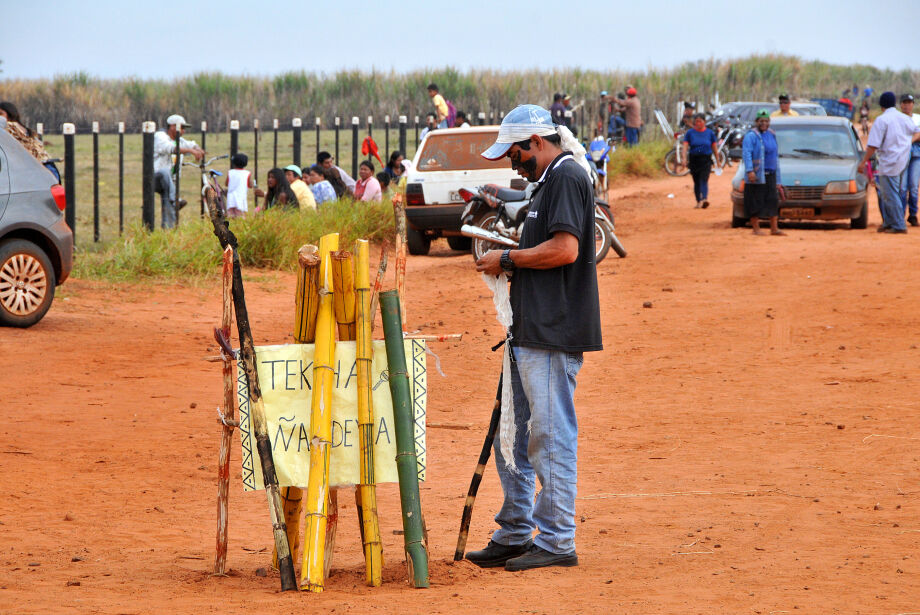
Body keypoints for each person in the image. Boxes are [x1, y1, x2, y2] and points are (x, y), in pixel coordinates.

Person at [469, 104, 602, 572]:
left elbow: (565, 250)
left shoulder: (566, 176)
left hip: (553, 330)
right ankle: (516, 530)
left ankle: (557, 540)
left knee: (548, 436)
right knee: (516, 435)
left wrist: (507, 261)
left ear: (537, 143)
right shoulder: (547, 181)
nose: (512, 162)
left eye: (515, 153)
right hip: (530, 328)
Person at [858, 91, 920, 233]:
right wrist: (908, 144)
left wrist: (863, 162)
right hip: (903, 160)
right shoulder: (903, 118)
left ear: (881, 105)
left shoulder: (882, 120)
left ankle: (899, 224)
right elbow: (917, 130)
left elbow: (872, 145)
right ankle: (890, 222)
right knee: (890, 193)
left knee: (890, 194)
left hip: (889, 162)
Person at [153, 114, 204, 229]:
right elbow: (171, 149)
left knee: (169, 206)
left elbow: (191, 144)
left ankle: (168, 230)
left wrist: (197, 149)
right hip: (156, 177)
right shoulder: (160, 136)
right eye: (181, 128)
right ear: (172, 127)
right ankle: (175, 200)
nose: (183, 131)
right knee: (165, 172)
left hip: (170, 182)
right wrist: (191, 151)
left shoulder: (179, 140)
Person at [741, 110, 786, 236]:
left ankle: (774, 228)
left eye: (766, 121)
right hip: (757, 175)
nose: (764, 124)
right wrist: (750, 171)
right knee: (755, 201)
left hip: (771, 174)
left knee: (772, 200)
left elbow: (775, 157)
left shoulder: (771, 134)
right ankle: (756, 229)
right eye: (761, 121)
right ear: (756, 122)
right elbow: (747, 154)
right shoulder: (751, 136)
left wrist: (778, 180)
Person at [0, 101, 58, 182]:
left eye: (0, 114)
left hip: (34, 172)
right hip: (47, 168)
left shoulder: (8, 128)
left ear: (10, 114)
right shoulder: (27, 130)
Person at [680, 114, 719, 208]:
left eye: (700, 121)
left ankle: (704, 198)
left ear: (704, 122)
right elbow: (685, 146)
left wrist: (718, 160)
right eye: (696, 121)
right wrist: (684, 158)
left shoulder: (710, 133)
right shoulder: (690, 133)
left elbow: (714, 147)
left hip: (706, 159)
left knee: (704, 179)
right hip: (694, 159)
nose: (698, 123)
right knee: (696, 181)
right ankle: (698, 201)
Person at [899, 94, 920, 227]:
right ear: (901, 104)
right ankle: (900, 215)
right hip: (901, 155)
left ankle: (912, 214)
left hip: (916, 154)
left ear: (913, 104)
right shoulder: (898, 119)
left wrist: (908, 141)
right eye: (905, 103)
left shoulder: (917, 118)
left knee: (913, 186)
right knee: (902, 187)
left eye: (909, 102)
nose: (907, 105)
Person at [224, 153, 253, 218]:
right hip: (241, 199)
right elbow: (250, 185)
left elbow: (226, 183)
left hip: (231, 199)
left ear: (234, 163)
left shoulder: (230, 172)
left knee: (230, 217)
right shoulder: (247, 173)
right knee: (241, 218)